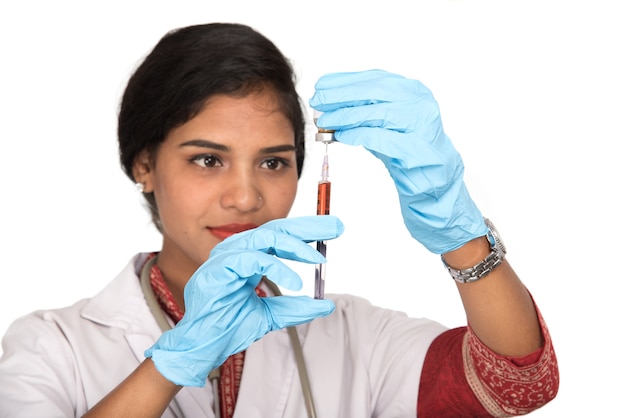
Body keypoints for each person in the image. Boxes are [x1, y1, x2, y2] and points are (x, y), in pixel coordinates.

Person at [0, 22, 559, 418]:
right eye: (207, 159)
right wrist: (172, 365)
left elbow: (517, 383)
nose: (245, 198)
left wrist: (459, 235)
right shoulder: (52, 347)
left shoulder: (352, 336)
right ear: (144, 164)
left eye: (273, 162)